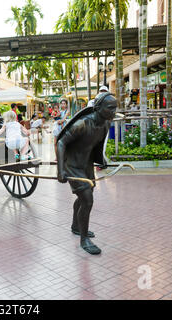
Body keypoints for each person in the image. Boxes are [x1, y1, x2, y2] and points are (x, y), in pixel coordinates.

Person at [56, 92, 117, 255]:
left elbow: (96, 145)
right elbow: (60, 142)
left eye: (115, 108)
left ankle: (76, 226)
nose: (114, 111)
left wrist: (101, 160)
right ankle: (84, 240)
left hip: (86, 165)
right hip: (72, 165)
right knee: (87, 200)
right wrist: (60, 170)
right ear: (98, 108)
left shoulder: (105, 124)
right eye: (110, 108)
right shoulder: (82, 123)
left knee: (83, 196)